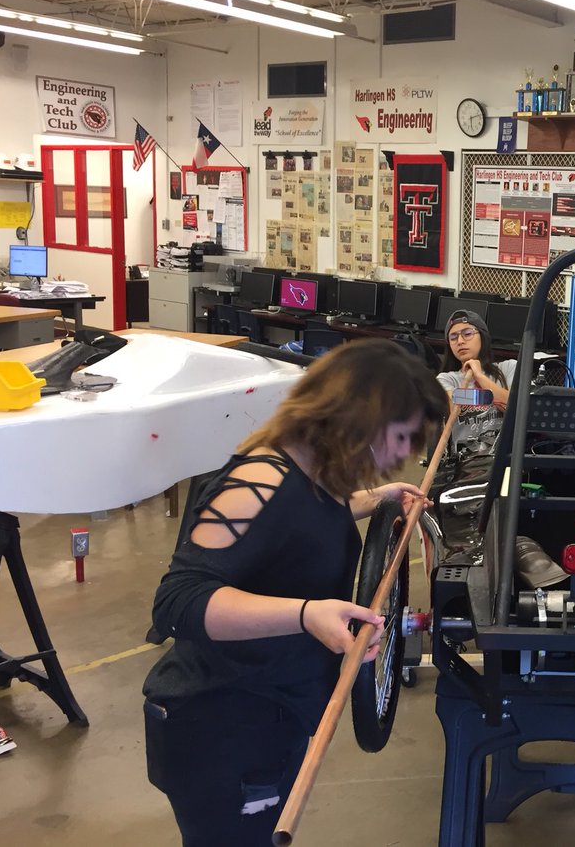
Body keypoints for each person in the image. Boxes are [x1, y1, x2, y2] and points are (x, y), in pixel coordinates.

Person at [142, 339, 446, 846]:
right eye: (399, 437)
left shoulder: (311, 475)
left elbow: (303, 524)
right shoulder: (258, 478)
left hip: (270, 713)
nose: (401, 455)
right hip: (221, 725)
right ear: (355, 418)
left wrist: (376, 498)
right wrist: (306, 615)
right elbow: (178, 602)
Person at [437, 309, 518, 458]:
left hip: (505, 460)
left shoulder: (509, 368)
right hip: (465, 463)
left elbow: (516, 407)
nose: (460, 341)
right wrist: (496, 397)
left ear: (482, 336)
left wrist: (480, 377)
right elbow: (455, 407)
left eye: (467, 334)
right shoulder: (446, 379)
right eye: (453, 337)